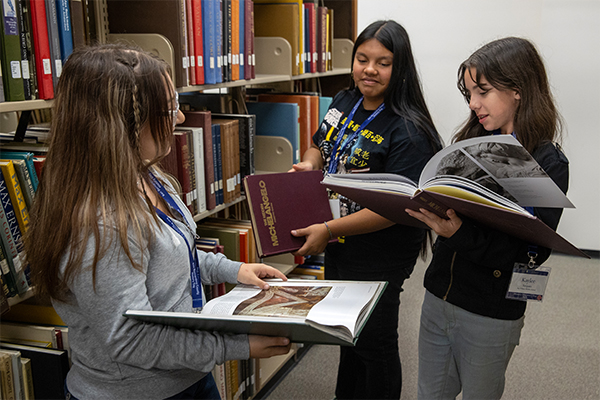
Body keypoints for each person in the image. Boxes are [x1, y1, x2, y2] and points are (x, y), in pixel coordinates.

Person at [25, 44, 291, 399]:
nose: (180, 119)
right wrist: (237, 345)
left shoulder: (150, 177)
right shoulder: (102, 226)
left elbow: (172, 257)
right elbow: (132, 340)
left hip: (186, 375)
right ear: (124, 124)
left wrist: (234, 270)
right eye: (169, 109)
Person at [406, 37, 569, 399]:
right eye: (468, 93)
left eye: (482, 91)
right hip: (439, 296)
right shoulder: (472, 141)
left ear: (518, 90)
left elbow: (531, 252)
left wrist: (461, 232)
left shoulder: (544, 161)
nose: (473, 103)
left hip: (489, 311)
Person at [290, 20, 443, 399]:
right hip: (339, 239)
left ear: (400, 67)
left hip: (380, 250)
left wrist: (328, 229)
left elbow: (396, 209)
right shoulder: (344, 101)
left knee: (375, 343)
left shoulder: (409, 130)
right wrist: (310, 165)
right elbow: (318, 145)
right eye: (362, 59)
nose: (369, 69)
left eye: (383, 62)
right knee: (347, 333)